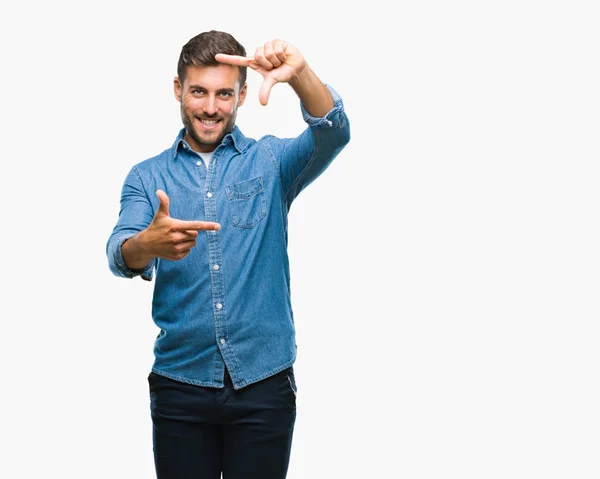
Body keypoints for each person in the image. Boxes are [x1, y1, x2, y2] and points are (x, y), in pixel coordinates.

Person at [106, 30, 350, 479]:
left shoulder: (271, 162)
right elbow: (120, 253)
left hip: (263, 384)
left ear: (241, 94)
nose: (210, 107)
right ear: (179, 90)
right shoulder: (146, 176)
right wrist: (147, 244)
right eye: (198, 91)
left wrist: (300, 76)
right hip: (181, 386)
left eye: (223, 93)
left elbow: (333, 132)